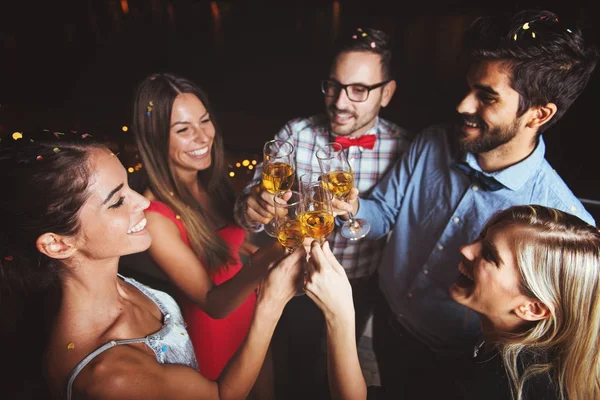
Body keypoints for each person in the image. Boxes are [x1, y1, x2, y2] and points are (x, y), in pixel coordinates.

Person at [335, 9, 599, 399]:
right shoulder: (430, 142)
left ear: (539, 114)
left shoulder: (563, 225)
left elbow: (557, 348)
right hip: (389, 325)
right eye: (469, 87)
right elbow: (383, 213)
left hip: (458, 364)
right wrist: (351, 210)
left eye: (486, 97)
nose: (462, 105)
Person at [0, 140, 306, 400]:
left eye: (129, 188)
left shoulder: (114, 283)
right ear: (57, 244)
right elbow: (220, 395)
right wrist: (271, 302)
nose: (143, 203)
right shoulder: (112, 375)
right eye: (118, 200)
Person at [234, 27, 412, 398]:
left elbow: (393, 222)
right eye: (333, 86)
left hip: (358, 288)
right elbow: (247, 209)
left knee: (339, 370)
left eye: (359, 90)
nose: (341, 102)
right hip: (293, 282)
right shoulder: (295, 133)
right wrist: (252, 207)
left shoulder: (405, 148)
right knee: (296, 367)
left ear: (388, 93)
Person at [307, 205, 600, 400]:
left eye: (489, 255)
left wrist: (340, 315)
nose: (466, 249)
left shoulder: (500, 387)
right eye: (482, 238)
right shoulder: (509, 347)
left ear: (532, 308)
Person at [129, 73, 280, 390]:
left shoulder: (209, 181)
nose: (202, 137)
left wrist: (252, 250)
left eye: (205, 121)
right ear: (156, 139)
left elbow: (227, 245)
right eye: (183, 130)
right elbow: (213, 303)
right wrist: (273, 255)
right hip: (216, 335)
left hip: (252, 317)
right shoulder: (156, 216)